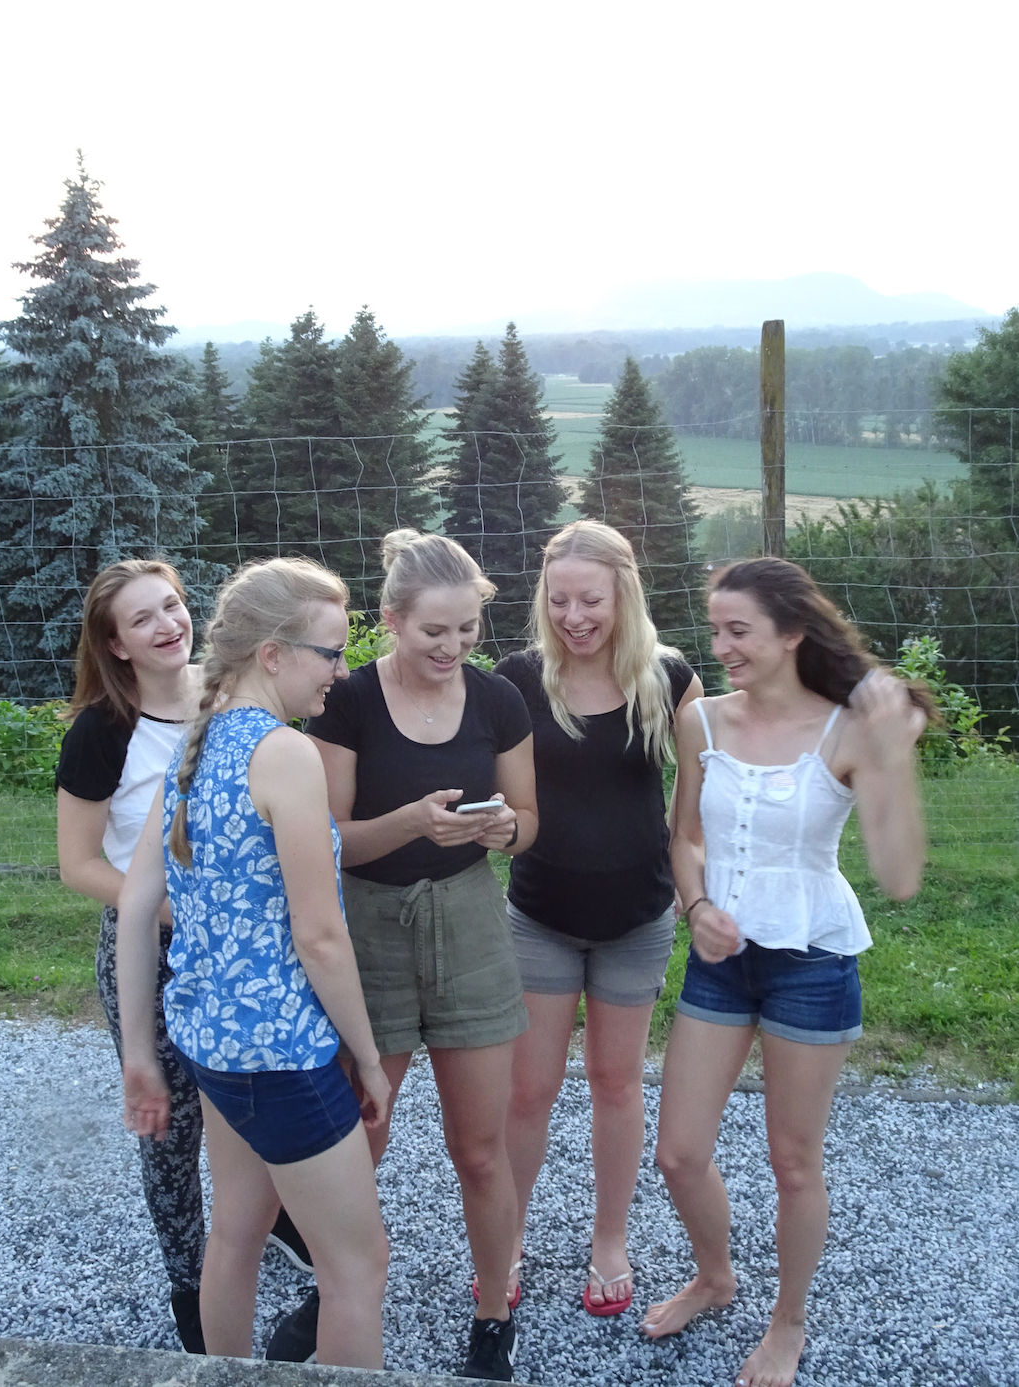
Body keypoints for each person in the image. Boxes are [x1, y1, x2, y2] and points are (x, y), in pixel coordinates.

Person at [641, 556, 931, 1387]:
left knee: (794, 1162)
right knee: (678, 1154)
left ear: (793, 633)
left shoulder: (847, 729)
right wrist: (697, 905)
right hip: (721, 960)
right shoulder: (701, 722)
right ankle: (715, 1277)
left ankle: (787, 1323)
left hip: (812, 960)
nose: (720, 647)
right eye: (716, 629)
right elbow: (683, 838)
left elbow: (899, 875)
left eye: (739, 631)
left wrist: (891, 756)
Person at [116, 556, 390, 1365]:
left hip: (213, 1045)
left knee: (235, 1233)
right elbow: (320, 936)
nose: (341, 670)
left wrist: (140, 1053)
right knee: (358, 1266)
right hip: (281, 1056)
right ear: (273, 654)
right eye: (330, 651)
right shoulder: (284, 756)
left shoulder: (194, 746)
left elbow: (134, 904)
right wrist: (369, 1058)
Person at [305, 529, 537, 1383]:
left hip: (470, 923)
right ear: (392, 619)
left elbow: (528, 822)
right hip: (369, 928)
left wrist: (504, 829)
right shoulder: (347, 700)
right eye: (435, 631)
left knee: (478, 1148)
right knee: (360, 1135)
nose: (453, 647)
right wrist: (410, 823)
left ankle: (493, 1310)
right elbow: (328, 839)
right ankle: (336, 1291)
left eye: (468, 630)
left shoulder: (499, 699)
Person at [495, 520, 703, 1317]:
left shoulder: (669, 678)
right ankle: (506, 1235)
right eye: (559, 600)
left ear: (624, 596)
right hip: (538, 915)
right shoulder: (517, 678)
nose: (574, 616)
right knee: (529, 1089)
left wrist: (690, 881)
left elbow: (696, 806)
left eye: (590, 600)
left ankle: (609, 1239)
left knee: (616, 1084)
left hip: (636, 918)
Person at [55, 559, 207, 1352]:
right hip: (149, 943)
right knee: (169, 1125)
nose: (167, 625)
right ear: (115, 645)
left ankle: (274, 1224)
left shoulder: (227, 695)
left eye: (172, 606)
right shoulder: (102, 732)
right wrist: (167, 908)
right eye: (142, 619)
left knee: (255, 1101)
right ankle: (190, 1281)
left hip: (239, 939)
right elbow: (78, 864)